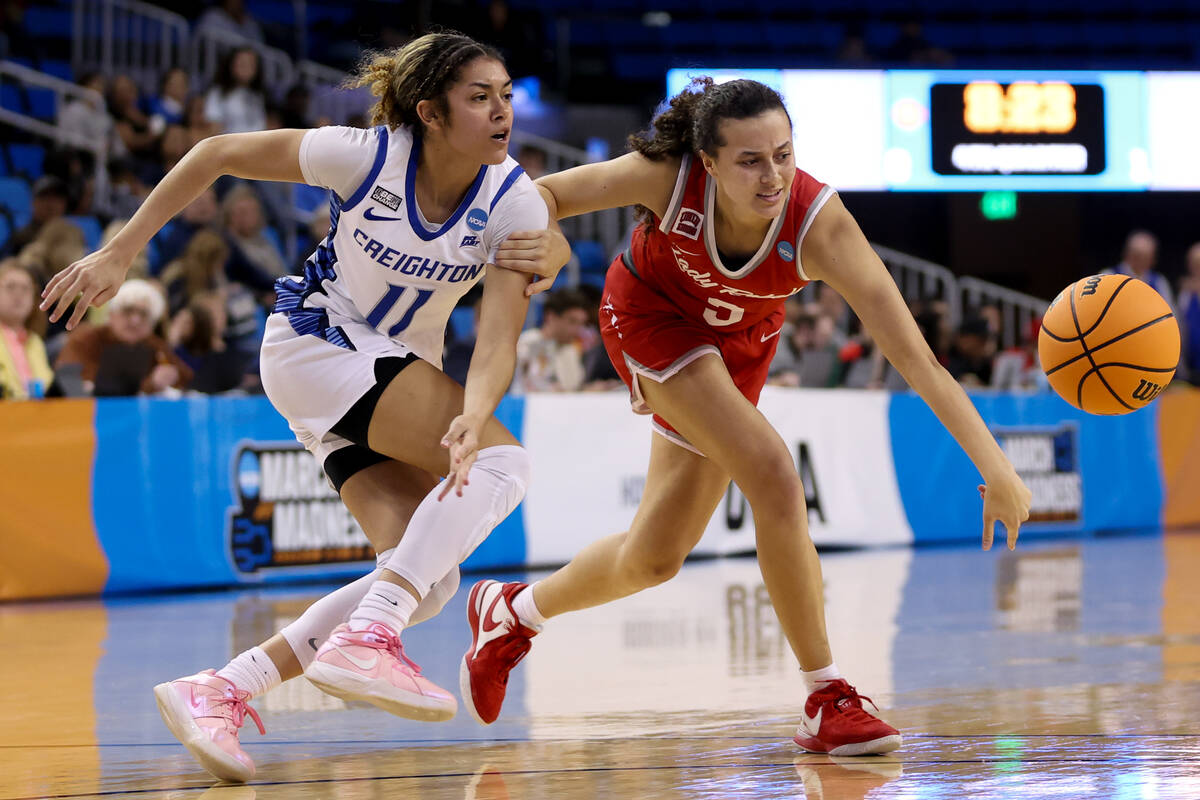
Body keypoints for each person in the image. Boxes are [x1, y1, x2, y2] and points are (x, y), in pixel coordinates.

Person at [40, 31, 568, 783]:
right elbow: (216, 151)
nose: (501, 112)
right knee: (505, 464)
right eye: (479, 97)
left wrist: (471, 412)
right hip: (314, 345)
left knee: (429, 576)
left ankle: (220, 689)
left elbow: (496, 342)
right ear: (430, 112)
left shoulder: (512, 201)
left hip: (376, 376)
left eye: (506, 96)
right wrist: (122, 250)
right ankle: (369, 638)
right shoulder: (365, 155)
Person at [460, 77, 1033, 756]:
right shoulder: (665, 178)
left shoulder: (821, 226)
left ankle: (510, 613)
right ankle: (827, 696)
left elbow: (917, 360)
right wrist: (550, 241)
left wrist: (997, 467)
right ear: (708, 163)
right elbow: (542, 195)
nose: (774, 176)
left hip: (740, 347)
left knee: (653, 557)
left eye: (784, 155)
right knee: (772, 472)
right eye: (752, 160)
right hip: (649, 315)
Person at [55, 278, 192, 396]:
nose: (135, 321)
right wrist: (150, 385)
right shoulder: (86, 337)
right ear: (111, 314)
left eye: (144, 314)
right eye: (128, 311)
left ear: (153, 323)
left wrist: (168, 378)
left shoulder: (153, 345)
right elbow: (74, 382)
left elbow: (187, 380)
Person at [510, 288, 589, 393]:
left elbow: (574, 389)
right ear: (551, 317)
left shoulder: (570, 350)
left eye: (581, 323)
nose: (577, 330)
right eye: (572, 321)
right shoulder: (528, 344)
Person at [0, 260, 53, 400]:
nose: (19, 294)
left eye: (25, 288)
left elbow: (46, 389)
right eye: (10, 287)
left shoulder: (35, 342)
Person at [1104, 230, 1176, 313]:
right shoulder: (1108, 276)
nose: (1141, 261)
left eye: (1146, 257)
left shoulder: (1159, 281)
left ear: (1153, 259)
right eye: (1137, 256)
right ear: (1126, 253)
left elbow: (1170, 315)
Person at [204, 47, 267, 135]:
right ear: (231, 65)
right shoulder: (218, 93)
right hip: (229, 147)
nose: (246, 68)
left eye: (251, 64)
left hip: (255, 146)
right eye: (242, 64)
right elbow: (214, 129)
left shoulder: (257, 96)